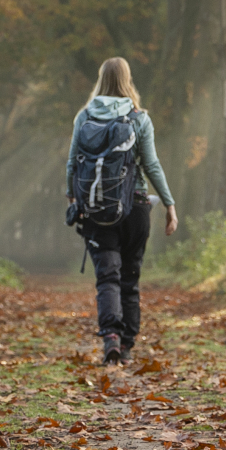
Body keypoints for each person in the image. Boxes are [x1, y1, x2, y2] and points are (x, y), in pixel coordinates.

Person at [66, 57, 178, 364]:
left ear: (101, 79)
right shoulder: (139, 119)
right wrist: (169, 204)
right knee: (129, 276)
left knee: (107, 278)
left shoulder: (85, 116)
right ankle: (127, 343)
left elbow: (73, 161)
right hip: (135, 207)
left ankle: (111, 337)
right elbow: (152, 166)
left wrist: (72, 198)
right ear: (128, 79)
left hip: (96, 210)